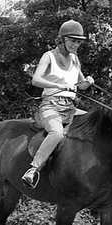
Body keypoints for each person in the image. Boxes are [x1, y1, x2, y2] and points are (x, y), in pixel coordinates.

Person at [20, 19, 95, 188]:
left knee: (95, 122)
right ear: (62, 39)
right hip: (50, 106)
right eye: (73, 41)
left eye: (79, 42)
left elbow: (81, 85)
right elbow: (36, 80)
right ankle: (33, 170)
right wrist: (58, 85)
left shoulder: (75, 59)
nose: (76, 45)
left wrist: (88, 82)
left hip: (70, 107)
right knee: (57, 133)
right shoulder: (49, 56)